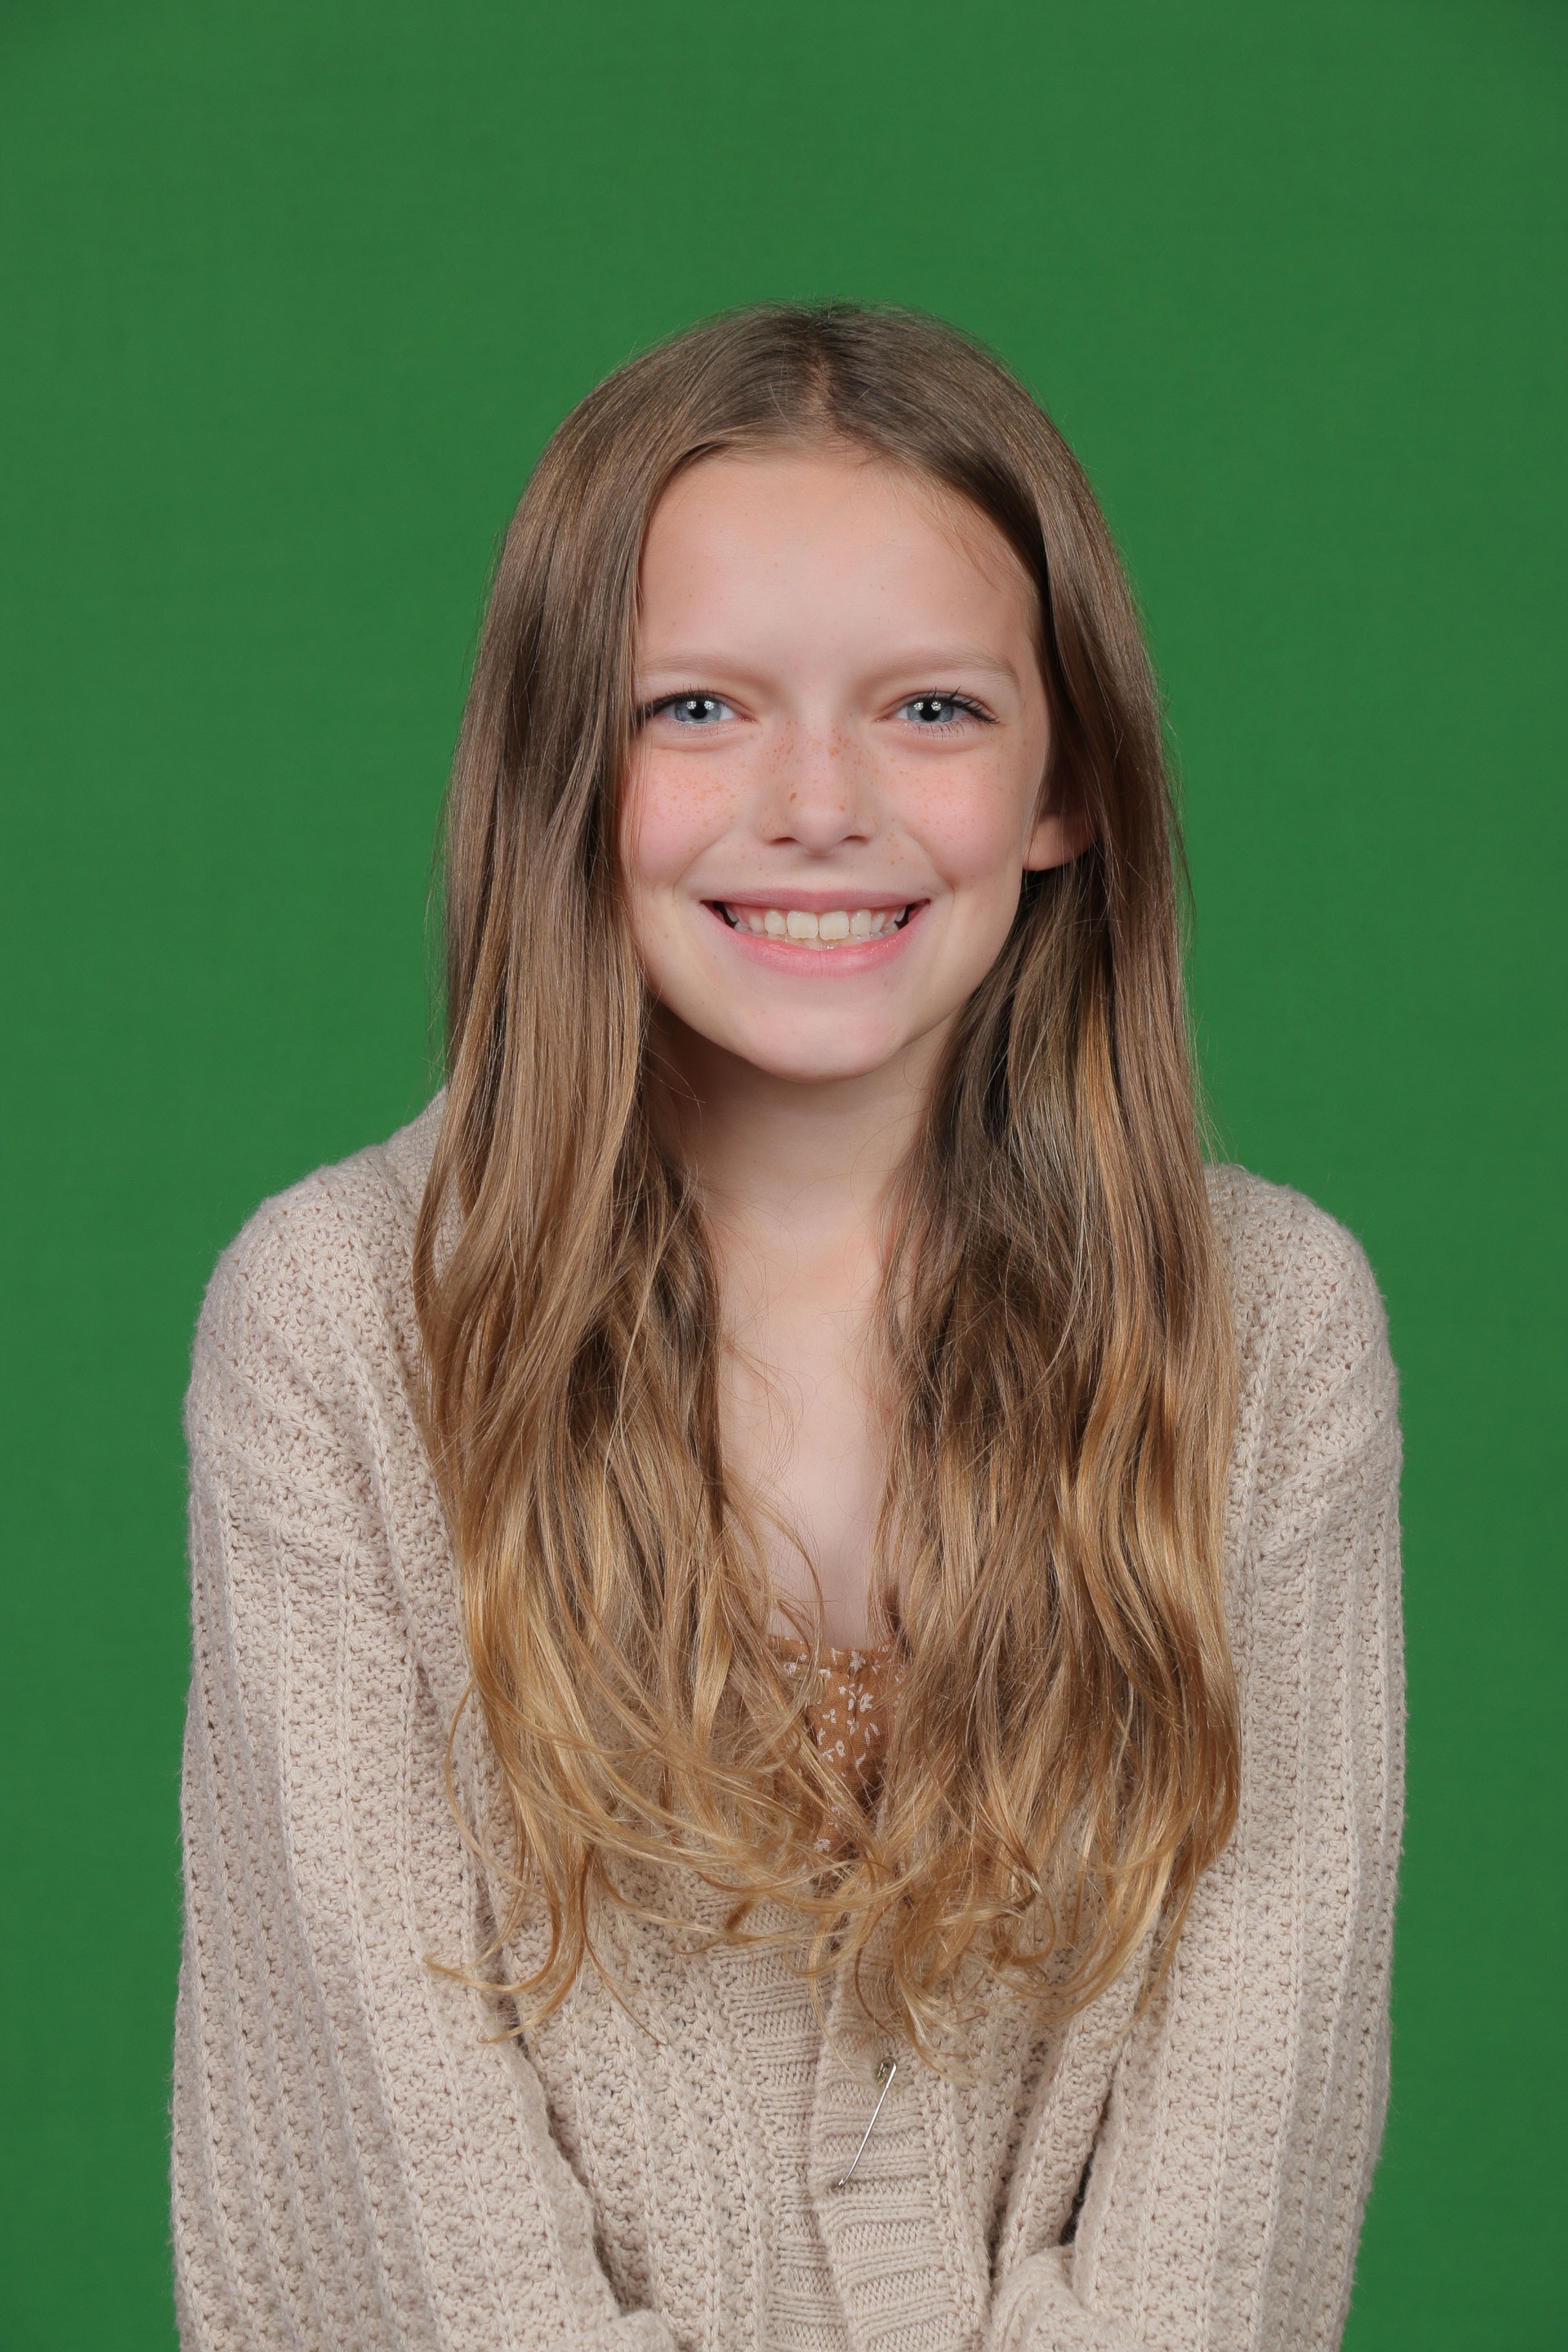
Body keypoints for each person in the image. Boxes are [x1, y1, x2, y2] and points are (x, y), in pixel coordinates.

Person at [171, 304, 1404, 2351]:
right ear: (566, 775)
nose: (819, 803)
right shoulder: (337, 1328)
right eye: (697, 708)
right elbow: (397, 2185)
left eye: (930, 708)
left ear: (1067, 784)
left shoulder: (1271, 1332)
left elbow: (1237, 2173)